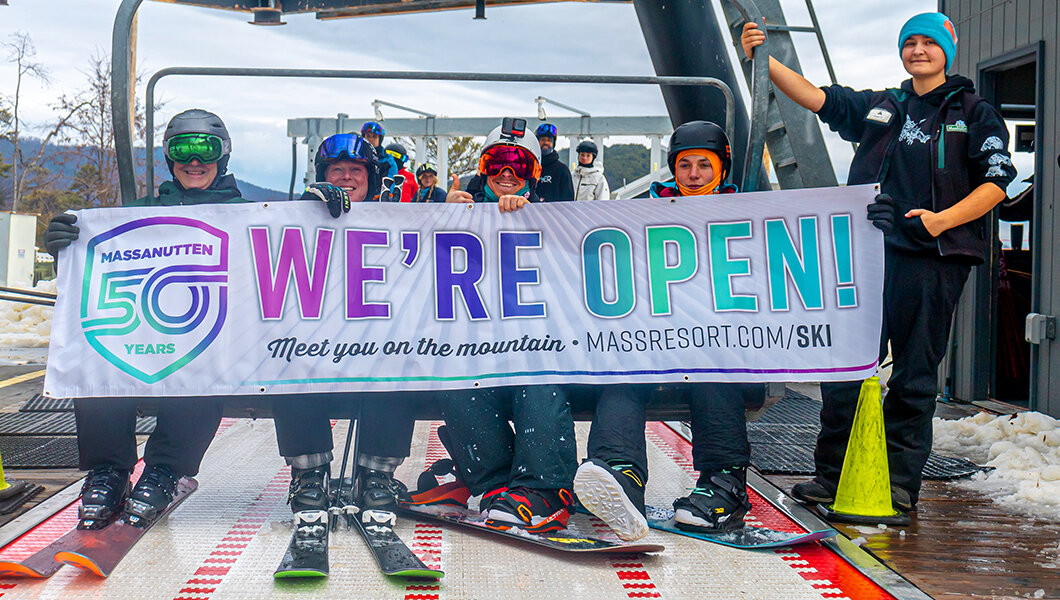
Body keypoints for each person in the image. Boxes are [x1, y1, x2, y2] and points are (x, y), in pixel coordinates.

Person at [741, 12, 1016, 510]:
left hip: (933, 259)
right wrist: (761, 57)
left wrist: (941, 220)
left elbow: (997, 182)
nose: (918, 50)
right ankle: (831, 474)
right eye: (909, 42)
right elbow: (816, 97)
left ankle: (899, 483)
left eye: (928, 43)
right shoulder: (882, 106)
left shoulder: (974, 112)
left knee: (913, 376)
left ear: (946, 52)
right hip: (866, 258)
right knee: (846, 368)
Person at [43, 109, 248, 528]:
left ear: (222, 156)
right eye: (182, 151)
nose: (194, 162)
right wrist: (67, 247)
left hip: (214, 339)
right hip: (148, 328)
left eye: (204, 150)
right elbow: (103, 262)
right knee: (97, 359)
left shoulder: (249, 215)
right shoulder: (140, 214)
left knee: (201, 369)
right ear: (169, 158)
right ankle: (109, 471)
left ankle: (164, 471)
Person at [572, 121, 755, 541]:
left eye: (703, 167)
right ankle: (620, 476)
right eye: (684, 165)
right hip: (652, 340)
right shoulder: (643, 213)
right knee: (623, 374)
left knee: (714, 368)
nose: (693, 175)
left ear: (721, 169)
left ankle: (723, 482)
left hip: (713, 342)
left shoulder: (747, 213)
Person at [274, 131, 419, 514]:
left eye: (355, 169)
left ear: (370, 178)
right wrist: (304, 214)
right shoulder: (297, 217)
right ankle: (308, 474)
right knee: (288, 358)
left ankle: (376, 474)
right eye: (336, 170)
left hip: (373, 342)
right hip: (317, 344)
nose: (346, 177)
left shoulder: (396, 220)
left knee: (397, 359)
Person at [442, 121, 577, 532]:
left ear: (533, 173)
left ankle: (545, 487)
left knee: (537, 376)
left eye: (518, 164)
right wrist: (438, 216)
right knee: (459, 380)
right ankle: (495, 482)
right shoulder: (456, 208)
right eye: (497, 161)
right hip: (477, 340)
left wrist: (531, 217)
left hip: (534, 340)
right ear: (483, 168)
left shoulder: (550, 215)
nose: (506, 172)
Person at [533, 123, 574, 202]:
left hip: (554, 213)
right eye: (543, 140)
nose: (546, 143)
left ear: (553, 143)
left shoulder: (562, 170)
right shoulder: (530, 167)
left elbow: (568, 201)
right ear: (537, 141)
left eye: (549, 140)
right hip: (532, 212)